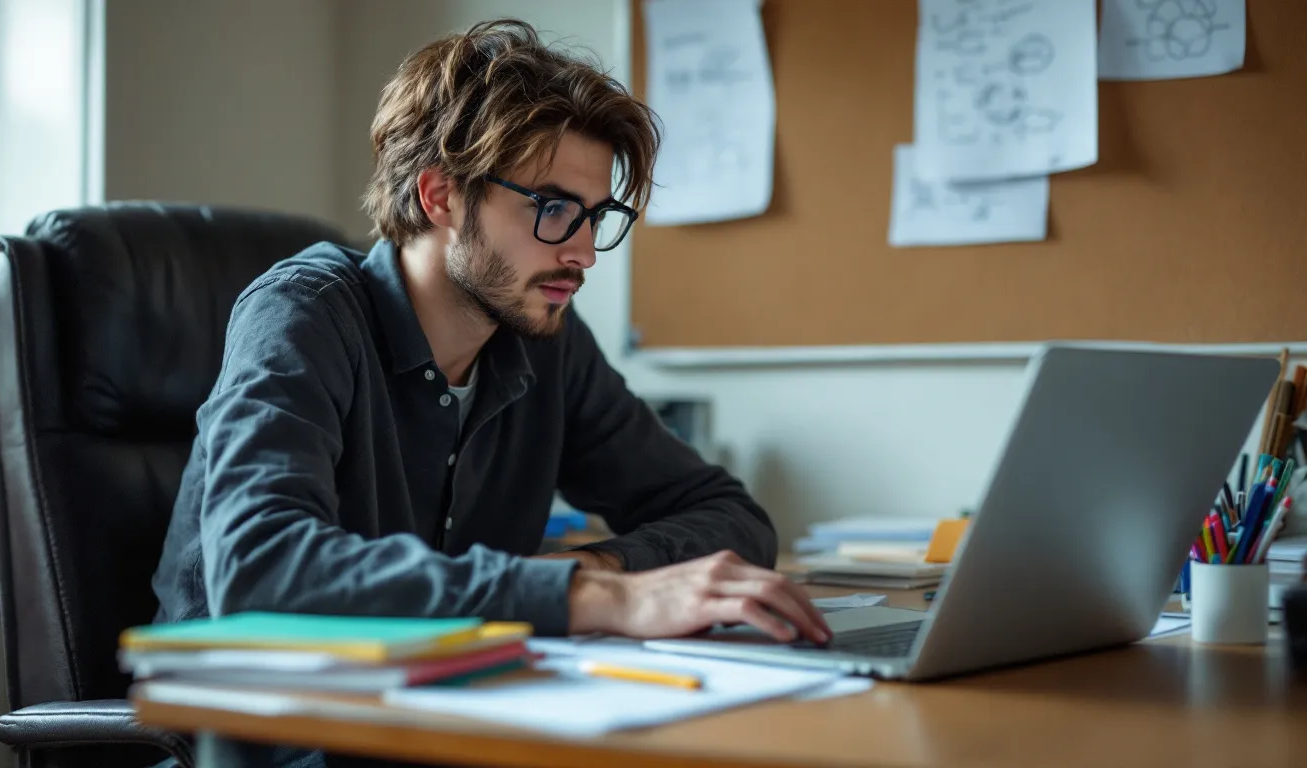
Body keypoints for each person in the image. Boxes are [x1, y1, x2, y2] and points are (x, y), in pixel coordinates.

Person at [151, 18, 829, 672]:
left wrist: (598, 568)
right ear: (441, 195)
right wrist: (587, 597)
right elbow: (259, 566)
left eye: (597, 217)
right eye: (554, 208)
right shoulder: (304, 315)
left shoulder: (543, 340)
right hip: (253, 732)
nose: (585, 252)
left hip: (447, 712)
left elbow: (732, 517)